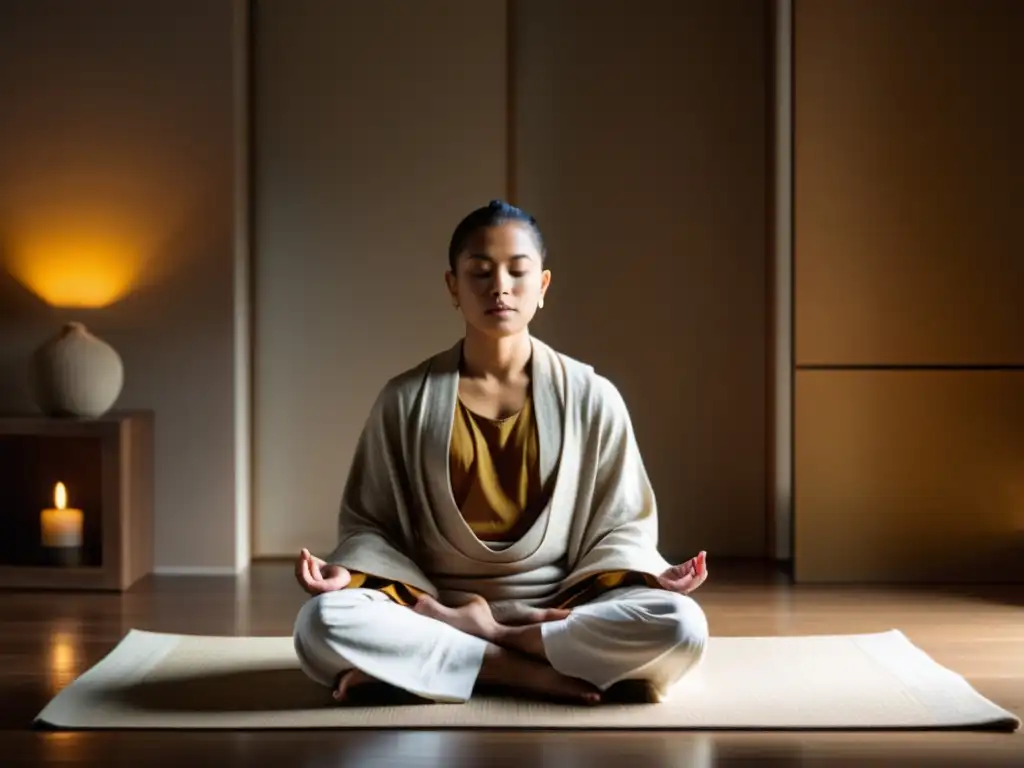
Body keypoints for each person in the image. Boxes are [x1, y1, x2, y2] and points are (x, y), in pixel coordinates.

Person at [292, 200, 709, 706]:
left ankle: (477, 645)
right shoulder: (405, 399)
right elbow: (371, 524)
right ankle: (521, 671)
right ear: (453, 286)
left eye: (518, 271)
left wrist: (647, 572)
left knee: (681, 626)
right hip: (433, 603)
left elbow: (622, 524)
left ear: (543, 286)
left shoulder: (591, 396)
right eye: (480, 272)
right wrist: (350, 570)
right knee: (321, 624)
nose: (500, 287)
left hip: (557, 610)